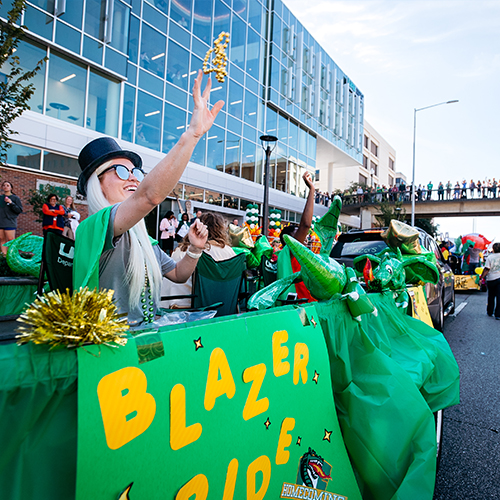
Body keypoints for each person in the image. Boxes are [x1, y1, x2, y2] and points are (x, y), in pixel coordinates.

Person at [73, 70, 223, 326]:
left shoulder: (143, 237)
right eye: (120, 171)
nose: (132, 177)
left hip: (146, 342)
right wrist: (192, 136)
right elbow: (149, 197)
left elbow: (177, 274)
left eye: (135, 172)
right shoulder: (94, 227)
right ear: (97, 183)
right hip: (108, 351)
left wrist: (196, 249)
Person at [161, 212, 236, 308]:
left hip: (173, 306)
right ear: (220, 230)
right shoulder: (228, 252)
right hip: (217, 307)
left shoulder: (180, 250)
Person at [277, 171, 316, 303]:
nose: (305, 237)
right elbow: (305, 225)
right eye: (298, 233)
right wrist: (312, 190)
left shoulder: (295, 255)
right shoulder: (292, 251)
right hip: (304, 305)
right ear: (290, 239)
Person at [0, 181, 23, 256]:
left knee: (10, 239)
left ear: (11, 188)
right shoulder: (0, 198)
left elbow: (19, 210)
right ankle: (4, 255)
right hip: (1, 221)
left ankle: (11, 255)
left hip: (10, 221)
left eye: (7, 185)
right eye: (4, 185)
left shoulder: (15, 198)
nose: (5, 186)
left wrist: (11, 203)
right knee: (2, 239)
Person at [480, 243, 500, 320]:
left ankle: (490, 311)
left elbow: (487, 269)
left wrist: (482, 278)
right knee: (499, 297)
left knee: (491, 296)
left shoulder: (490, 257)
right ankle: (498, 314)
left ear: (493, 249)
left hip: (491, 279)